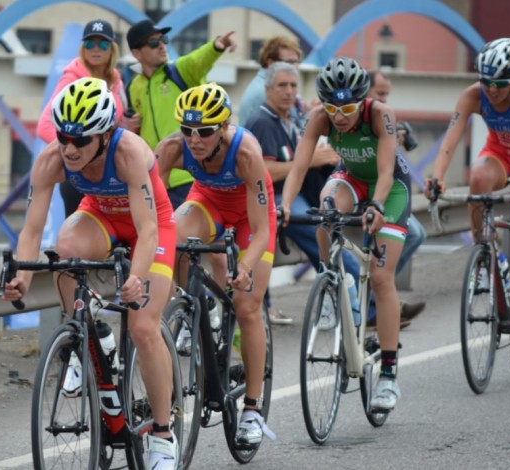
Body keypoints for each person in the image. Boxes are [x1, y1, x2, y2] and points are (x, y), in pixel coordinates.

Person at [0, 78, 179, 468]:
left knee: (143, 328)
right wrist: (23, 279)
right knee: (65, 251)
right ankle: (87, 332)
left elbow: (148, 229)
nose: (69, 148)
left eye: (80, 141)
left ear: (105, 135)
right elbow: (32, 230)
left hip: (151, 224)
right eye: (64, 137)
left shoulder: (129, 152)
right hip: (102, 216)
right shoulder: (51, 159)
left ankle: (164, 436)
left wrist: (137, 276)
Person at [281, 57, 410, 412]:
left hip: (390, 188)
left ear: (362, 100)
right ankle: (331, 279)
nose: (339, 115)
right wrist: (286, 205)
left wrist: (378, 206)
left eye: (348, 107)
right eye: (332, 107)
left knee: (382, 279)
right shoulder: (320, 117)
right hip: (351, 178)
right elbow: (299, 166)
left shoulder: (380, 113)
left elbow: (386, 172)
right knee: (325, 206)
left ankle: (388, 374)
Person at [156, 83, 277, 448]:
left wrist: (245, 267)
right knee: (174, 236)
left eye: (205, 131)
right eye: (188, 129)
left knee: (247, 305)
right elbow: (153, 213)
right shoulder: (172, 149)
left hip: (250, 218)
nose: (195, 139)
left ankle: (253, 410)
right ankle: (194, 308)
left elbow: (261, 230)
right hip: (207, 201)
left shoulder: (246, 154)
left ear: (223, 127)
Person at [427, 38, 510, 366]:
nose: (492, 90)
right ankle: (485, 252)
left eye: (499, 83)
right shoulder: (473, 94)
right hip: (498, 157)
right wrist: (437, 176)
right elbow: (449, 140)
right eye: (486, 82)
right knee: (478, 177)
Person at [245, 62, 340, 325]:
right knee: (321, 237)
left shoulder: (291, 119)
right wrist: (310, 160)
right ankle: (350, 303)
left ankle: (350, 300)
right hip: (272, 198)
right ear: (267, 89)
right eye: (282, 85)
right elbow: (262, 171)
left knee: (331, 233)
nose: (289, 92)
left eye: (293, 86)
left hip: (298, 193)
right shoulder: (262, 122)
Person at [125, 18, 236, 208]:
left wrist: (217, 45)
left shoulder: (179, 70)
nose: (161, 46)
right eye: (153, 42)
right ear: (136, 53)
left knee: (190, 236)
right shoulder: (134, 86)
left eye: (163, 40)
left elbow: (198, 59)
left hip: (188, 176)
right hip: (155, 176)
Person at [36, 19, 127, 218]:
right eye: (89, 43)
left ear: (112, 49)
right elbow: (44, 126)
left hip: (109, 173)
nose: (96, 49)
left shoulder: (115, 80)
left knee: (116, 240)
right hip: (80, 175)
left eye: (102, 44)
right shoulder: (72, 80)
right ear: (82, 48)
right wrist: (76, 151)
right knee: (77, 242)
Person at [366, 70, 427, 328]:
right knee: (412, 232)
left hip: (383, 190)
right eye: (380, 94)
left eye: (387, 94)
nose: (385, 100)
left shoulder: (382, 117)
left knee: (416, 233)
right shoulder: (347, 116)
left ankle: (378, 293)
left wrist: (391, 142)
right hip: (360, 191)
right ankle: (374, 302)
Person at [238, 36, 311, 128]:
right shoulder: (267, 90)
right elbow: (295, 133)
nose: (294, 68)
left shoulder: (262, 83)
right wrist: (308, 117)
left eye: (296, 62)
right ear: (271, 63)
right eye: (289, 62)